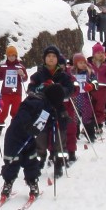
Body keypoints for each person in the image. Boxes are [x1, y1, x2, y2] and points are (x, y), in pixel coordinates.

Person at [0, 84, 65, 200]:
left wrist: (56, 119)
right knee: (12, 161)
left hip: (30, 138)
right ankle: (8, 182)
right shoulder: (36, 101)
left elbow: (43, 123)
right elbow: (23, 112)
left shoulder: (49, 107)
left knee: (31, 161)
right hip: (15, 137)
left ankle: (33, 182)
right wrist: (28, 125)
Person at [27, 45, 75, 178]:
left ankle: (59, 162)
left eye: (54, 56)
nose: (51, 59)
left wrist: (59, 91)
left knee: (60, 137)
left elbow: (70, 90)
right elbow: (30, 89)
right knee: (40, 136)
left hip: (59, 109)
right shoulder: (38, 75)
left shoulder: (63, 76)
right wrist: (41, 90)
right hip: (42, 109)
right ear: (44, 59)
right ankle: (39, 160)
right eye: (48, 56)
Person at [65, 52, 96, 159]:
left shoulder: (89, 71)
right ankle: (75, 134)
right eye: (80, 63)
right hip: (74, 98)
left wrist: (91, 85)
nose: (83, 64)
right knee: (74, 117)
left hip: (85, 97)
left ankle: (90, 134)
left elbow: (95, 81)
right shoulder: (71, 72)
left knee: (87, 115)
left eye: (84, 62)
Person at [0, 45, 28, 129]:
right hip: (5, 93)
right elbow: (0, 77)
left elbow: (25, 79)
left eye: (13, 55)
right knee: (3, 111)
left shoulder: (20, 67)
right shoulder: (3, 66)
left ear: (16, 56)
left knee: (15, 111)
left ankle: (14, 126)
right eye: (9, 56)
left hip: (16, 93)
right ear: (7, 56)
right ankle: (0, 124)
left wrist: (22, 74)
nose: (11, 57)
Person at [88, 43, 106, 133]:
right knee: (90, 106)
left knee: (100, 107)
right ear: (94, 54)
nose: (100, 54)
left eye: (102, 52)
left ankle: (99, 124)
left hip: (103, 88)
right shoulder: (89, 64)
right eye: (98, 52)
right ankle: (89, 125)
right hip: (92, 88)